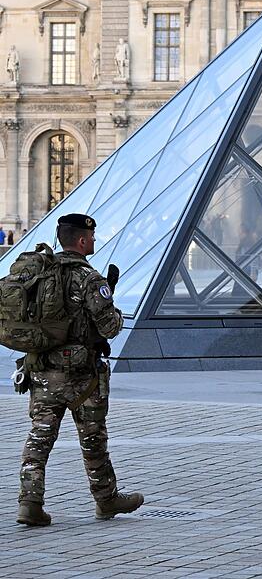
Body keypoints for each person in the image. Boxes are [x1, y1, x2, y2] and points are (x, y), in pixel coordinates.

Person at [16, 213, 144, 527]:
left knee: (39, 438)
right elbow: (109, 326)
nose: (95, 241)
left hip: (43, 370)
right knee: (93, 439)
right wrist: (116, 312)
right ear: (83, 240)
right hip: (82, 376)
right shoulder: (90, 278)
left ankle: (30, 503)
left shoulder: (41, 274)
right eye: (93, 237)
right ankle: (106, 499)